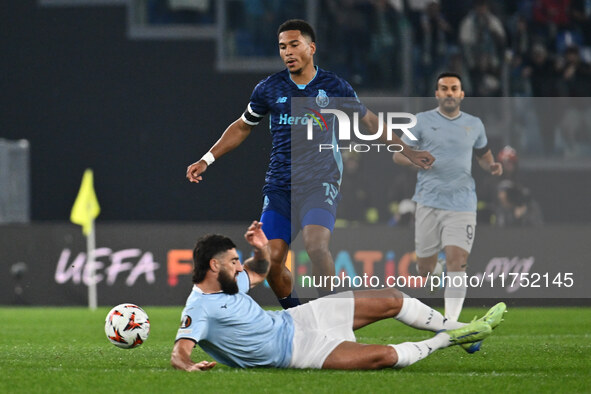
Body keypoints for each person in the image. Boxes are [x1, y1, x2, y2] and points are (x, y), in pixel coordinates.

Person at [186, 19, 434, 308]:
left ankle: (332, 319)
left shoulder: (333, 86)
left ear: (311, 47)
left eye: (294, 44)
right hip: (280, 186)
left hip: (321, 182)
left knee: (317, 246)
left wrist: (408, 150)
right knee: (273, 259)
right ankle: (299, 318)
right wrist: (207, 158)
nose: (288, 52)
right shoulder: (268, 89)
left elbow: (368, 121)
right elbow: (243, 126)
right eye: (282, 47)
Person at [170, 221, 506, 371]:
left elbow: (258, 271)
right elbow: (179, 352)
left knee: (391, 298)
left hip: (299, 319)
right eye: (232, 262)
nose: (238, 268)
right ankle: (450, 338)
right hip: (297, 351)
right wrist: (189, 368)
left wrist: (260, 250)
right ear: (214, 266)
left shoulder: (231, 282)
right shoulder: (199, 309)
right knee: (385, 357)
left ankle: (462, 331)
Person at [393, 72, 503, 340]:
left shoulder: (474, 125)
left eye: (454, 88)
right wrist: (415, 159)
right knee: (424, 270)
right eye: (444, 88)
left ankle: (450, 326)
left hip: (463, 203)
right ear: (437, 94)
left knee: (458, 261)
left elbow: (483, 154)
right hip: (428, 201)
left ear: (462, 94)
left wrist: (491, 165)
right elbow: (398, 155)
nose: (450, 93)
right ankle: (436, 270)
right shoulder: (421, 122)